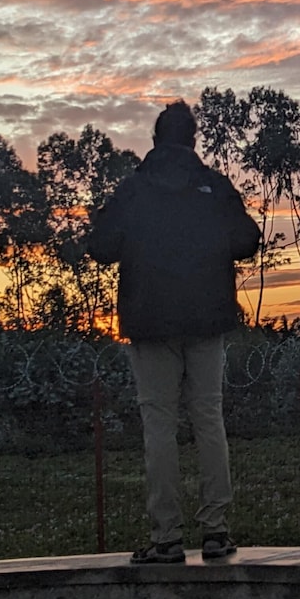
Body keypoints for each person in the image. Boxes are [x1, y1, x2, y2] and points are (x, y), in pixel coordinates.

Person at [87, 100, 260, 564]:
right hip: (207, 319)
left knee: (158, 425)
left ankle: (165, 538)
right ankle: (216, 532)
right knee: (208, 418)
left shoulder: (133, 190)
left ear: (156, 139)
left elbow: (100, 247)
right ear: (193, 140)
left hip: (150, 324)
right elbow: (248, 239)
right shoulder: (215, 186)